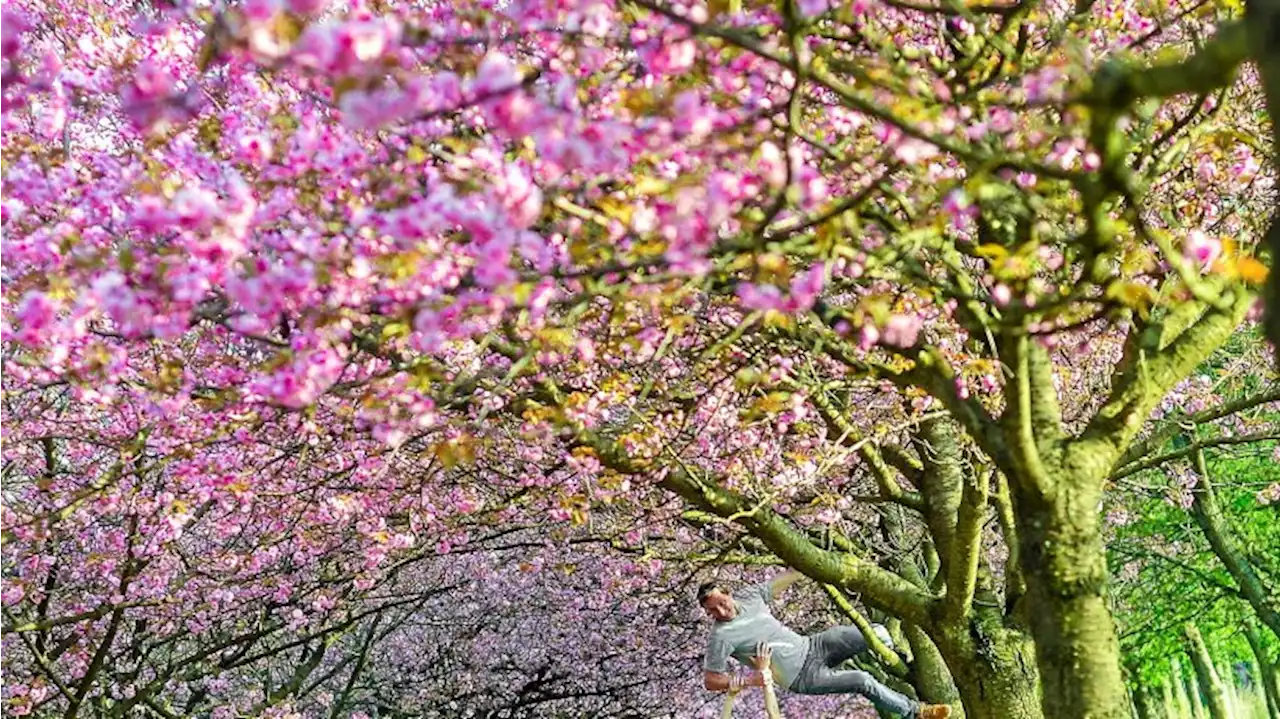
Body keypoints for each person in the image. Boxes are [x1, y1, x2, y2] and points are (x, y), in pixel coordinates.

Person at [697, 571, 952, 719]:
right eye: (713, 610)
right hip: (801, 676)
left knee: (878, 633)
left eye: (722, 602)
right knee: (861, 679)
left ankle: (896, 659)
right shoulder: (721, 637)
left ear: (729, 594)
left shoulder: (749, 596)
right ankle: (917, 712)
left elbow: (777, 584)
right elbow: (711, 681)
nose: (721, 610)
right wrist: (755, 679)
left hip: (813, 645)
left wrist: (802, 568)